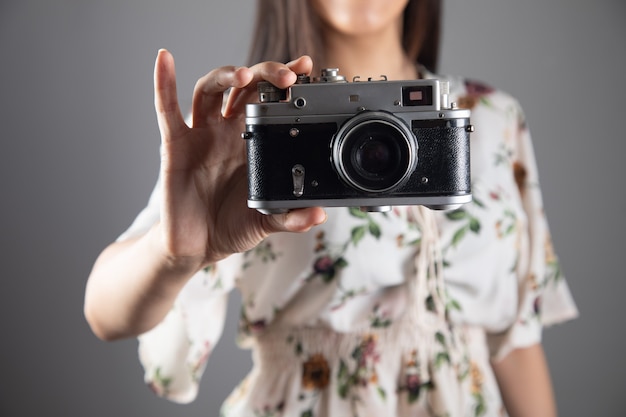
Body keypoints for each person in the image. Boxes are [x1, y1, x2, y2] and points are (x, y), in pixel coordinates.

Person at [84, 0, 578, 416]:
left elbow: (515, 339)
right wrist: (175, 253)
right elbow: (106, 314)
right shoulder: (249, 123)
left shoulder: (488, 117)